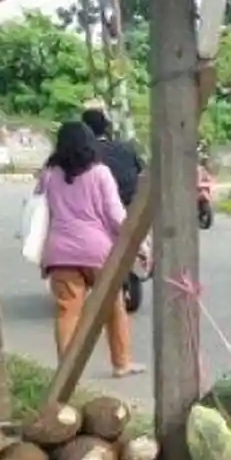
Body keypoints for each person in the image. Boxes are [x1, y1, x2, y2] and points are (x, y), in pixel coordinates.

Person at [36, 121, 144, 377]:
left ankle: (67, 371)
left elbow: (41, 212)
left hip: (60, 253)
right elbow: (116, 215)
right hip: (99, 253)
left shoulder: (49, 175)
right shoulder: (100, 173)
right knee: (113, 307)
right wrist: (139, 244)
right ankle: (121, 363)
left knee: (66, 312)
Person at [80, 108, 143, 209]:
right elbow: (140, 172)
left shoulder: (82, 154)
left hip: (99, 209)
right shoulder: (126, 148)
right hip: (130, 205)